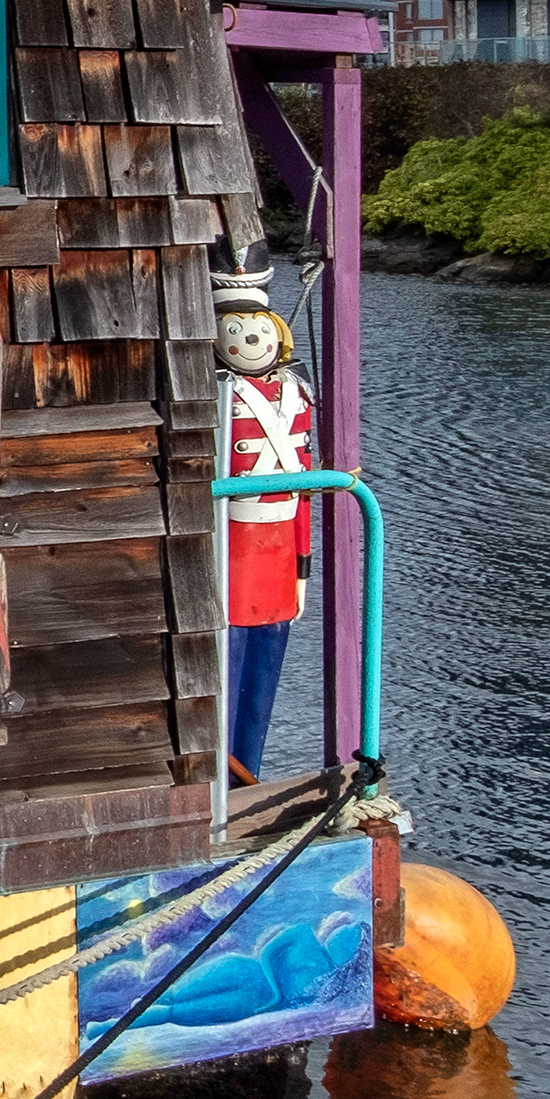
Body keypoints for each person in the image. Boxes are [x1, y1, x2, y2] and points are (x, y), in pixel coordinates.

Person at [218, 261, 314, 785]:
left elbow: (301, 486)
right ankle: (226, 783)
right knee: (226, 672)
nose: (250, 339)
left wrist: (303, 568)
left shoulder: (296, 392)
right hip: (232, 553)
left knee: (263, 674)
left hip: (278, 556)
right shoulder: (218, 393)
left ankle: (246, 778)